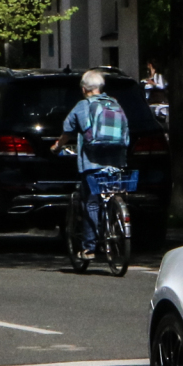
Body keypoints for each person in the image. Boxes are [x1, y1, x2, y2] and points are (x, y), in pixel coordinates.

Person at [51, 70, 130, 260]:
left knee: (91, 203)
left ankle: (89, 248)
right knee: (112, 195)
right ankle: (116, 223)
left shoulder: (82, 105)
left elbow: (67, 130)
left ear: (84, 89)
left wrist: (56, 146)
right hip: (117, 162)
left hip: (92, 162)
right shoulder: (115, 103)